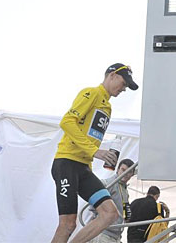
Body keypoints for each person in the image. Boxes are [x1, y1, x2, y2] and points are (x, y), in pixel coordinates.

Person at [50, 63, 139, 243]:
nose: (123, 89)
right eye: (123, 83)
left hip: (83, 168)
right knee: (67, 224)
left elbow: (90, 133)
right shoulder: (91, 93)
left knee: (110, 213)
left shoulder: (108, 107)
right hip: (67, 162)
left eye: (126, 87)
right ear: (112, 75)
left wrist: (94, 155)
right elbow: (67, 122)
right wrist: (94, 151)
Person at [90, 158, 136, 243]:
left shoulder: (125, 191)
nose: (125, 173)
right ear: (118, 169)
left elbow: (126, 211)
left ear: (132, 174)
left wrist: (128, 216)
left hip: (115, 235)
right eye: (123, 170)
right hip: (103, 233)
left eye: (129, 172)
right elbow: (92, 206)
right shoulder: (107, 184)